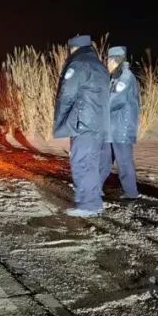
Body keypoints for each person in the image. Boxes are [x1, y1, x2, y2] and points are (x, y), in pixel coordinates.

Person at [52, 34, 110, 217]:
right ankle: (93, 201)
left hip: (83, 122)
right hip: (100, 123)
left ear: (73, 48)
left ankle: (88, 205)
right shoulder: (100, 66)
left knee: (82, 161)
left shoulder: (78, 65)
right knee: (92, 162)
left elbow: (67, 95)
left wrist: (61, 121)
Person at [100, 45, 141, 200]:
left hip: (121, 129)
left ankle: (131, 193)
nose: (107, 64)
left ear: (116, 61)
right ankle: (94, 188)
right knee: (104, 160)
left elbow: (114, 101)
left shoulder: (125, 78)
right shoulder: (116, 77)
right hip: (112, 128)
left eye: (109, 61)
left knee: (124, 162)